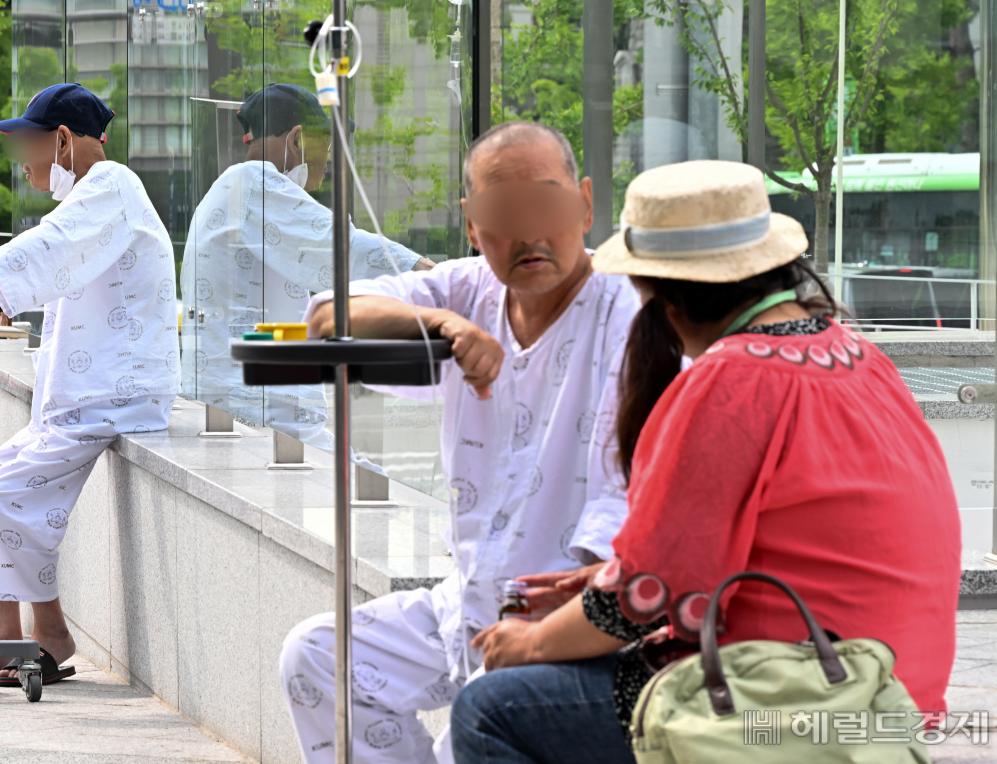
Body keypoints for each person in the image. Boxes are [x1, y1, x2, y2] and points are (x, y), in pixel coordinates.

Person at [450, 160, 962, 764]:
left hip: (791, 699)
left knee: (491, 707)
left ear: (660, 296)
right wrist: (594, 583)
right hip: (896, 693)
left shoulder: (732, 382)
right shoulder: (855, 354)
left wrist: (531, 643)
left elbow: (645, 598)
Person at [280, 121, 640, 763]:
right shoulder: (468, 290)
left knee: (475, 729)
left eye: (546, 203)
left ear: (585, 204)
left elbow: (615, 521)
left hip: (565, 621)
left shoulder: (629, 321)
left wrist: (543, 631)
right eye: (504, 211)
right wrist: (440, 324)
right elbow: (325, 316)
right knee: (317, 656)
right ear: (473, 225)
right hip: (466, 599)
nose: (528, 231)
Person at [0, 82, 179, 685]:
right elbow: (63, 254)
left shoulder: (112, 184)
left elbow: (54, 247)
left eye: (30, 146)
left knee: (8, 495)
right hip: (84, 402)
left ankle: (16, 644)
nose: (25, 162)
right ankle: (33, 636)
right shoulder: (93, 196)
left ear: (62, 140)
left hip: (114, 400)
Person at [181, 83, 432, 448]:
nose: (329, 161)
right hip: (259, 412)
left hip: (248, 404)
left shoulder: (234, 190)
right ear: (296, 140)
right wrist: (440, 280)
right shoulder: (253, 184)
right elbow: (341, 248)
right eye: (327, 145)